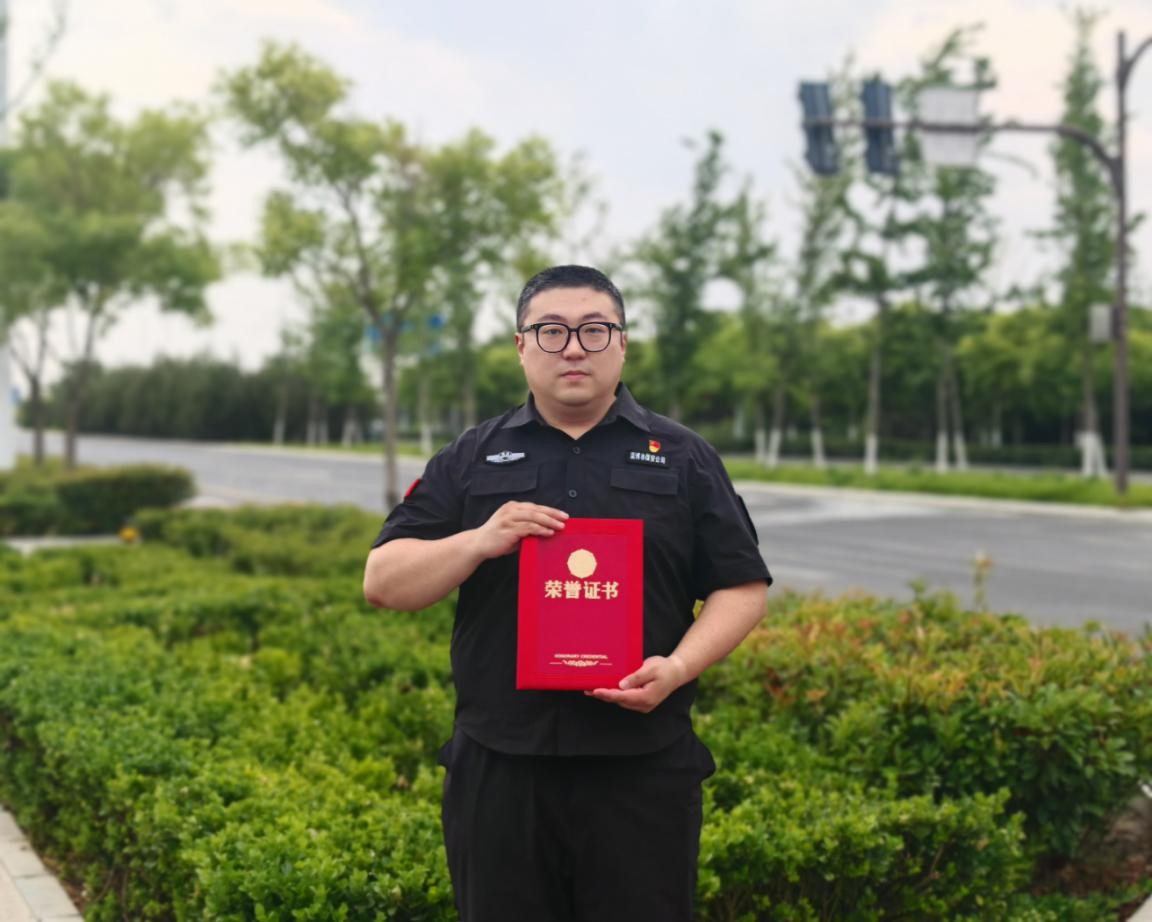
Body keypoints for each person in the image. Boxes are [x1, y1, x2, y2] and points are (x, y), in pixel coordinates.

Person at [363, 264, 771, 922]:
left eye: (594, 330)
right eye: (551, 331)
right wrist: (477, 541)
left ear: (623, 343)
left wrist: (678, 668)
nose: (574, 348)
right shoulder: (471, 457)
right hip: (501, 769)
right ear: (521, 346)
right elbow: (383, 581)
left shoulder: (684, 457)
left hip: (642, 769)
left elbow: (742, 587)